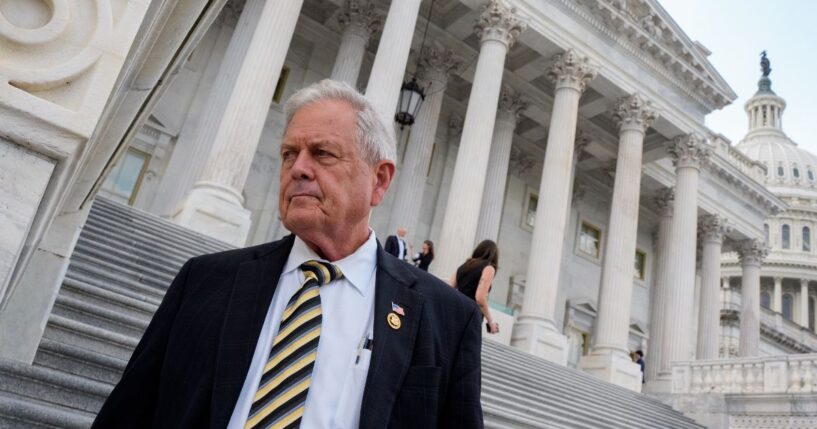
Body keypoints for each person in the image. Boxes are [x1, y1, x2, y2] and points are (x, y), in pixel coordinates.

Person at [92, 80, 483, 429]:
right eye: (288, 154)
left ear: (378, 181)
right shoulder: (203, 282)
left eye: (323, 153)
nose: (298, 169)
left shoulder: (446, 318)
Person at [450, 240, 499, 335]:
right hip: (471, 315)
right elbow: (480, 297)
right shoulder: (489, 268)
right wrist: (490, 321)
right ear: (494, 255)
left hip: (455, 311)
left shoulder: (464, 266)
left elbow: (450, 288)